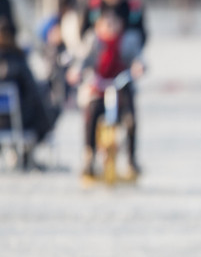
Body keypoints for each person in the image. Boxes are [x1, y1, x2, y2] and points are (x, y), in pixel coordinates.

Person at [68, 9, 144, 179]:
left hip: (120, 88)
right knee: (91, 115)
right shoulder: (93, 41)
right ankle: (89, 156)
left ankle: (132, 158)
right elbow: (83, 60)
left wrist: (138, 67)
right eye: (106, 24)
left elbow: (138, 58)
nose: (110, 28)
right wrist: (77, 72)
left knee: (130, 118)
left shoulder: (128, 41)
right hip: (100, 88)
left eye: (113, 24)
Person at [0, 17, 58, 167]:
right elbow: (32, 93)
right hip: (20, 120)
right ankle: (26, 155)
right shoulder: (17, 60)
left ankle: (23, 155)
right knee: (49, 110)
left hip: (6, 120)